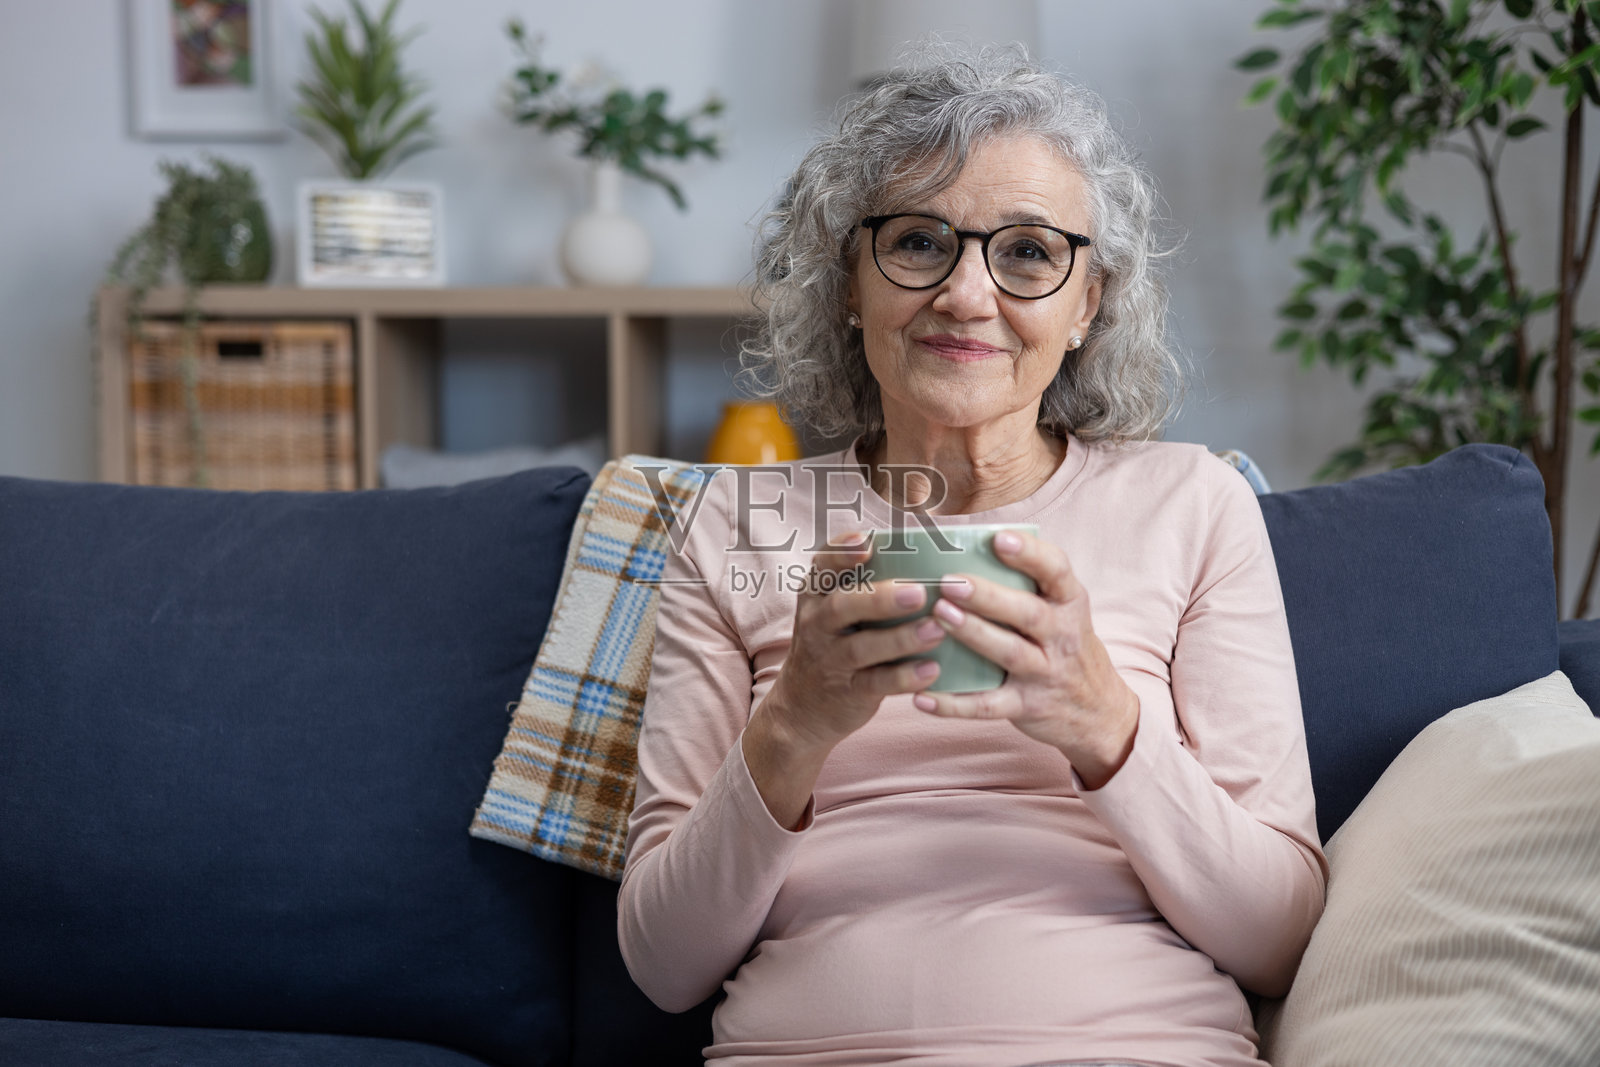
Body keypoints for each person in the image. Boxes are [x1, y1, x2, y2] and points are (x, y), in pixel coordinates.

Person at [618, 43, 1326, 1067]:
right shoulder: (734, 521)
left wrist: (1105, 725)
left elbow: (1279, 939)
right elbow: (663, 962)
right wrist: (795, 726)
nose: (964, 293)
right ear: (848, 283)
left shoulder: (1193, 503)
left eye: (1029, 253)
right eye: (918, 242)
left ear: (1087, 303)